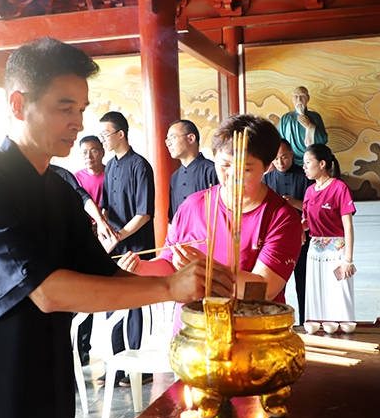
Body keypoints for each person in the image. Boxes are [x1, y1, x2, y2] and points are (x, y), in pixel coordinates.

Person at [0, 37, 233, 418]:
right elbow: (45, 292)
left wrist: (184, 273)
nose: (76, 122)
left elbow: (107, 275)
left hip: (47, 388)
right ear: (17, 103)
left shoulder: (60, 186)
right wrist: (167, 288)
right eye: (64, 108)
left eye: (81, 109)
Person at [118, 113, 304, 334]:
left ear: (267, 167)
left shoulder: (282, 218)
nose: (232, 176)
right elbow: (170, 263)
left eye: (245, 169)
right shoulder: (193, 206)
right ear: (214, 156)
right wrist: (143, 268)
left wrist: (208, 269)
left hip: (250, 334)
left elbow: (264, 290)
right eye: (225, 165)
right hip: (193, 330)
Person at [99, 110, 155, 386]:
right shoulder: (110, 166)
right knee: (112, 302)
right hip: (115, 245)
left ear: (120, 134)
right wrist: (102, 229)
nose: (103, 140)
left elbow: (144, 213)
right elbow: (106, 207)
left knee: (133, 304)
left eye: (105, 134)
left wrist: (118, 235)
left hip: (136, 246)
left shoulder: (140, 165)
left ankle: (138, 367)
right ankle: (117, 364)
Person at [302, 143, 356, 322]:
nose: (305, 167)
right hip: (315, 251)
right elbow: (307, 223)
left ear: (322, 163)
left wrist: (347, 260)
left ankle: (344, 334)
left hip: (337, 252)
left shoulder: (340, 188)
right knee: (316, 296)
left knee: (340, 298)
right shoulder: (309, 191)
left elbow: (348, 227)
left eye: (308, 162)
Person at [262, 139, 312, 322]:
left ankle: (306, 322)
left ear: (291, 154)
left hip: (303, 239)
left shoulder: (305, 176)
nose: (280, 163)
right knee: (276, 286)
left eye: (284, 157)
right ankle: (276, 322)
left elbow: (312, 208)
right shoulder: (267, 179)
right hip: (276, 242)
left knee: (303, 283)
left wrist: (294, 203)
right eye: (276, 159)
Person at [166, 119, 218, 222]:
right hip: (181, 237)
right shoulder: (175, 177)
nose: (168, 143)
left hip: (207, 236)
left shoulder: (212, 170)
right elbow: (172, 219)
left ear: (190, 138)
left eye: (173, 138)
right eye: (167, 140)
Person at [278, 86, 328, 166]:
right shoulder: (286, 118)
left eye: (302, 96)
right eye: (296, 96)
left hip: (312, 162)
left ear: (308, 98)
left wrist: (310, 126)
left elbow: (323, 140)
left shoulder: (315, 117)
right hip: (291, 162)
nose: (299, 100)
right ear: (292, 99)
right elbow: (279, 141)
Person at [74, 135, 105, 205]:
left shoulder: (112, 175)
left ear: (102, 153)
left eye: (94, 151)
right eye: (84, 153)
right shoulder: (76, 178)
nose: (89, 156)